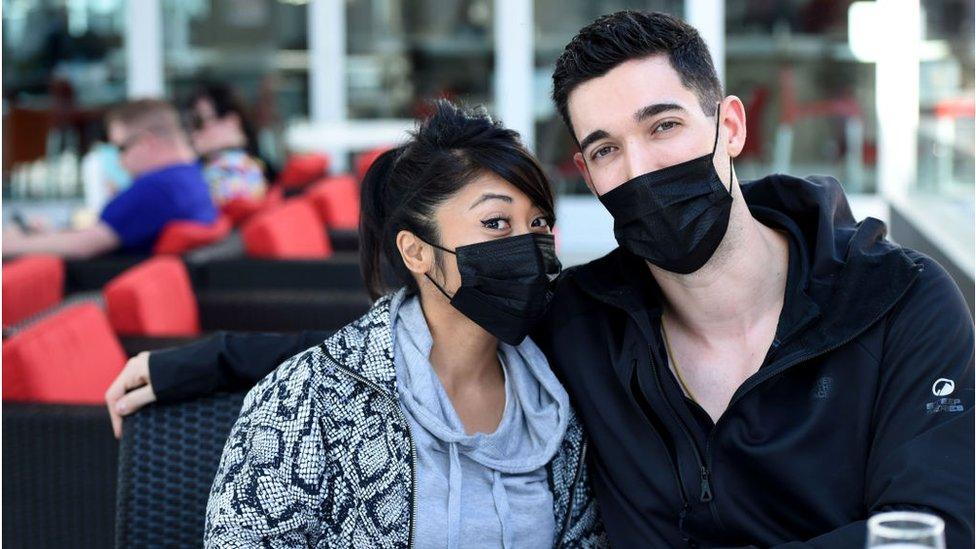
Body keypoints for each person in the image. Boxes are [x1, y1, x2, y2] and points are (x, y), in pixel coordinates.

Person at [107, 11, 974, 547]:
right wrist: (206, 361)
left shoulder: (899, 302)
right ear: (586, 173)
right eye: (605, 149)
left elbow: (936, 532)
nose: (638, 168)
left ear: (730, 125)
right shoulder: (581, 320)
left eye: (663, 126)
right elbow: (413, 345)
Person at [199, 101, 605, 547]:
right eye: (495, 223)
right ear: (416, 252)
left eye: (539, 223)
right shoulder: (312, 400)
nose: (527, 245)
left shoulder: (558, 396)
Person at [4, 99, 217, 258]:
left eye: (120, 148)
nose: (117, 160)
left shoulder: (157, 187)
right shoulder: (191, 177)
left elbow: (82, 245)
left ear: (145, 143)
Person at [186, 83, 271, 204]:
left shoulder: (232, 171)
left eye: (198, 122)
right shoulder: (249, 166)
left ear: (232, 122)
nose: (192, 133)